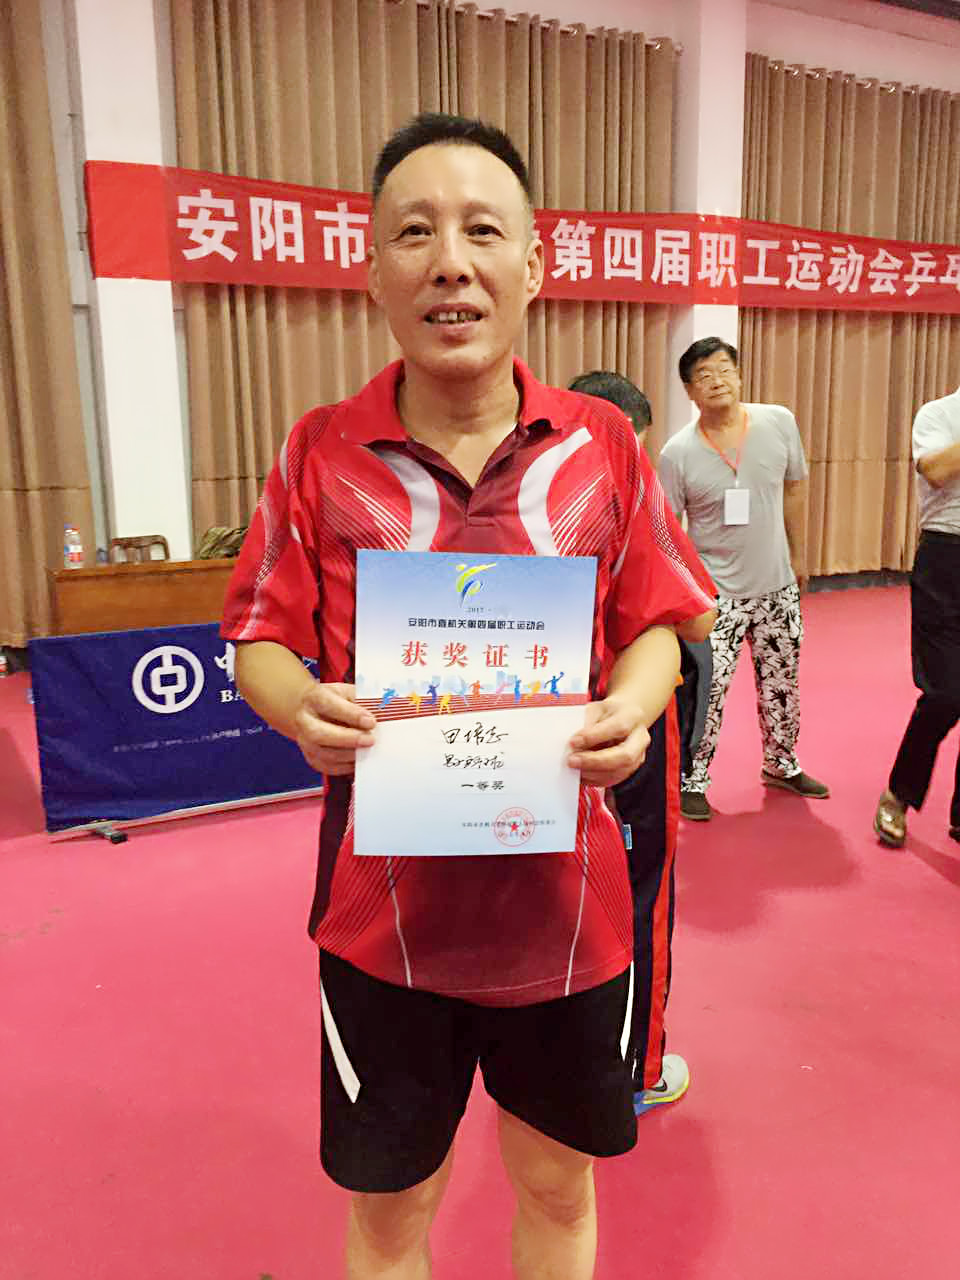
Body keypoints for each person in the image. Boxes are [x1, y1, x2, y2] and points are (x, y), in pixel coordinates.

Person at [222, 113, 717, 1280]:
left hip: (571, 918)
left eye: (483, 230)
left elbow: (660, 622)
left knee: (556, 1187)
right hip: (383, 926)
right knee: (393, 1214)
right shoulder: (320, 451)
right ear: (374, 271)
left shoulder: (603, 444)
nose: (450, 260)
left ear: (533, 265)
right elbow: (257, 637)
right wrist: (300, 706)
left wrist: (631, 705)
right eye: (415, 233)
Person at [568, 370, 715, 1115]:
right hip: (623, 729)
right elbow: (697, 616)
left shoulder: (514, 498)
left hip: (529, 726)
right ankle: (637, 1071)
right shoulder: (631, 492)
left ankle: (549, 1062)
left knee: (553, 888)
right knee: (640, 892)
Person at [657, 337, 829, 821]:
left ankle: (782, 764)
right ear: (690, 391)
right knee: (706, 693)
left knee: (783, 683)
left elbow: (794, 487)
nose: (717, 381)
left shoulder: (778, 422)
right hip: (717, 598)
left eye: (723, 369)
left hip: (776, 586)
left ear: (739, 374)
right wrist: (685, 596)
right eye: (703, 375)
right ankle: (692, 779)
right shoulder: (678, 453)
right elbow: (668, 531)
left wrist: (798, 556)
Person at [874, 384, 960, 848]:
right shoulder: (938, 414)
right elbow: (937, 470)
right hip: (947, 558)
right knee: (946, 693)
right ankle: (899, 793)